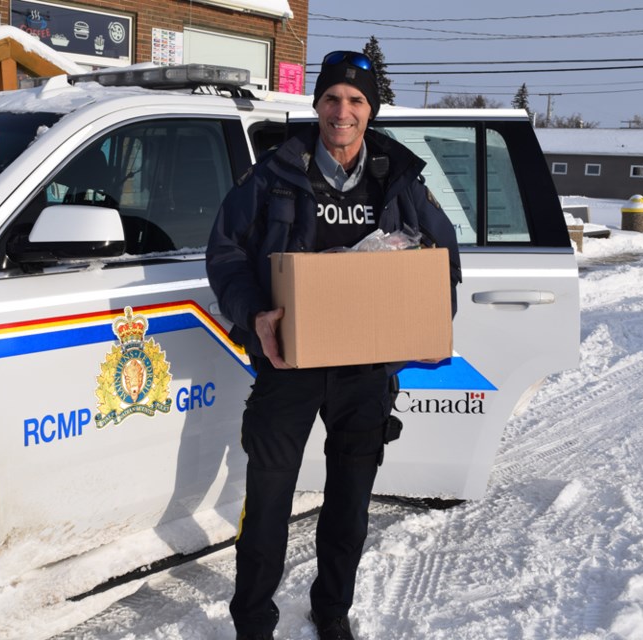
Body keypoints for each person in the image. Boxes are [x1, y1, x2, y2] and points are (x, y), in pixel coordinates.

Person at [206, 51, 461, 640]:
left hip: (365, 372)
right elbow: (224, 254)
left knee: (349, 504)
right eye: (332, 99)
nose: (341, 112)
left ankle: (332, 610)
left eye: (356, 101)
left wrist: (425, 322)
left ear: (371, 110)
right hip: (287, 363)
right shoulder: (272, 174)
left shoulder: (398, 179)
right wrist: (254, 316)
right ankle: (252, 620)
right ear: (316, 104)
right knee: (268, 501)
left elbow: (442, 260)